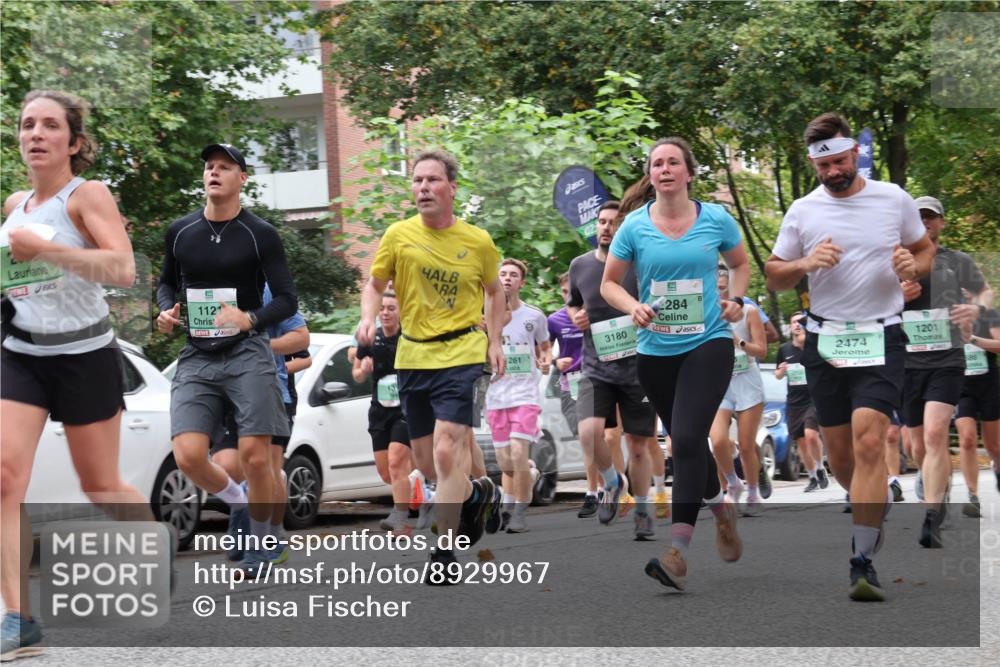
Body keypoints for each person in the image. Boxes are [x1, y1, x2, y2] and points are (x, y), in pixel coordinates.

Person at [1, 90, 151, 660]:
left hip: (85, 355)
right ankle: (18, 618)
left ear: (74, 142)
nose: (34, 134)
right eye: (25, 125)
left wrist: (47, 252)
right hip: (22, 354)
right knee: (4, 477)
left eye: (48, 126)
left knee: (101, 486)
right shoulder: (17, 205)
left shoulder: (85, 196)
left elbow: (122, 268)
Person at [766, 112, 935, 601]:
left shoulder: (893, 198)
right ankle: (870, 497)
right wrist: (804, 262)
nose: (833, 173)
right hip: (825, 342)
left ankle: (861, 560)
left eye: (839, 163)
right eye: (824, 167)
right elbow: (775, 272)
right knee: (843, 459)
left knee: (867, 442)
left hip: (882, 336)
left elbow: (924, 251)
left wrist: (913, 263)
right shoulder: (803, 210)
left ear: (854, 154)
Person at [602, 137, 751, 590]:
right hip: (655, 352)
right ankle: (723, 512)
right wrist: (632, 306)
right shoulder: (633, 227)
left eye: (672, 162)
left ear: (688, 172)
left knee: (684, 438)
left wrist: (737, 300)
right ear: (650, 176)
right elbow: (611, 284)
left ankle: (678, 553)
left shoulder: (715, 219)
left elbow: (740, 264)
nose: (664, 169)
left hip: (708, 342)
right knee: (688, 444)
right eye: (656, 164)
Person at [357, 149, 504, 583]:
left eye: (433, 180)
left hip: (461, 352)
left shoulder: (477, 241)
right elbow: (374, 283)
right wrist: (368, 317)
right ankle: (479, 490)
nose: (423, 187)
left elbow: (495, 293)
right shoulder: (398, 235)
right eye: (418, 180)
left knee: (446, 450)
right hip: (413, 355)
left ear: (452, 188)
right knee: (425, 461)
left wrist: (494, 340)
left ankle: (444, 551)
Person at [157, 142, 297, 576]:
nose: (214, 173)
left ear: (242, 179)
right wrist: (165, 309)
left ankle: (262, 543)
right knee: (189, 456)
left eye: (225, 167)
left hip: (247, 351)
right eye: (209, 167)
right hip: (197, 354)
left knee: (257, 456)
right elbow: (165, 284)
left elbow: (287, 299)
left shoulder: (260, 233)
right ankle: (238, 503)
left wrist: (249, 318)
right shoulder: (181, 231)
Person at [899, 196, 990, 545]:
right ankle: (935, 485)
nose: (924, 222)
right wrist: (899, 296)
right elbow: (873, 303)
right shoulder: (898, 259)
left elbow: (984, 292)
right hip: (907, 363)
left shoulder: (955, 260)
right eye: (918, 216)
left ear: (941, 222)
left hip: (947, 360)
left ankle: (931, 515)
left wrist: (974, 310)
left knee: (937, 435)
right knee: (917, 448)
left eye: (930, 217)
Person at [568, 200, 659, 540]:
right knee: (589, 433)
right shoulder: (580, 266)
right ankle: (611, 481)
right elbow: (575, 307)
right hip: (596, 366)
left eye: (613, 223)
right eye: (601, 222)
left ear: (624, 229)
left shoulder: (641, 264)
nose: (606, 227)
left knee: (638, 445)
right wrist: (578, 317)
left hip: (638, 367)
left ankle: (643, 512)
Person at [210, 283, 309, 563]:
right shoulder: (212, 288)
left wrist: (259, 344)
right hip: (226, 389)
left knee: (267, 468)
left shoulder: (270, 291)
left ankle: (271, 538)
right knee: (226, 464)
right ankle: (243, 506)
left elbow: (302, 341)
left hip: (270, 389)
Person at [487, 258, 551, 533]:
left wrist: (546, 360)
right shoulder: (485, 314)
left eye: (513, 275)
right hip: (496, 394)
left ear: (521, 282)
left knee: (517, 450)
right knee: (505, 461)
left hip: (525, 394)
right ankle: (524, 480)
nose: (507, 278)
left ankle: (518, 513)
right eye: (503, 274)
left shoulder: (534, 316)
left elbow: (545, 346)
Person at [351, 290, 414, 533]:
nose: (386, 313)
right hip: (379, 411)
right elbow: (356, 374)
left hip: (405, 410)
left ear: (400, 312)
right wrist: (364, 369)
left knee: (397, 462)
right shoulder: (370, 338)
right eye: (382, 309)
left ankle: (401, 518)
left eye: (391, 308)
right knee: (387, 472)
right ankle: (419, 491)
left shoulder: (409, 338)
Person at [710, 265, 767, 515]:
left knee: (746, 445)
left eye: (724, 287)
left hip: (747, 381)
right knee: (718, 440)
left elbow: (762, 350)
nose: (720, 292)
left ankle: (753, 490)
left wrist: (740, 342)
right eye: (716, 287)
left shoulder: (749, 311)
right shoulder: (706, 312)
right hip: (719, 381)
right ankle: (733, 482)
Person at [776, 312, 828, 492]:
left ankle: (821, 466)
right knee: (801, 442)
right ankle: (813, 476)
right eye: (793, 322)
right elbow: (777, 374)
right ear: (790, 327)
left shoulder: (813, 346)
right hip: (794, 401)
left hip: (814, 398)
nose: (797, 325)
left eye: (800, 322)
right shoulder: (784, 349)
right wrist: (781, 372)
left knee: (811, 435)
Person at [956, 307, 1000, 505]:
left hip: (989, 383)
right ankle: (972, 495)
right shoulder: (945, 316)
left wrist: (971, 339)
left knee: (994, 446)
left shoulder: (988, 315)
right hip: (961, 386)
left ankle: (997, 467)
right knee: (967, 439)